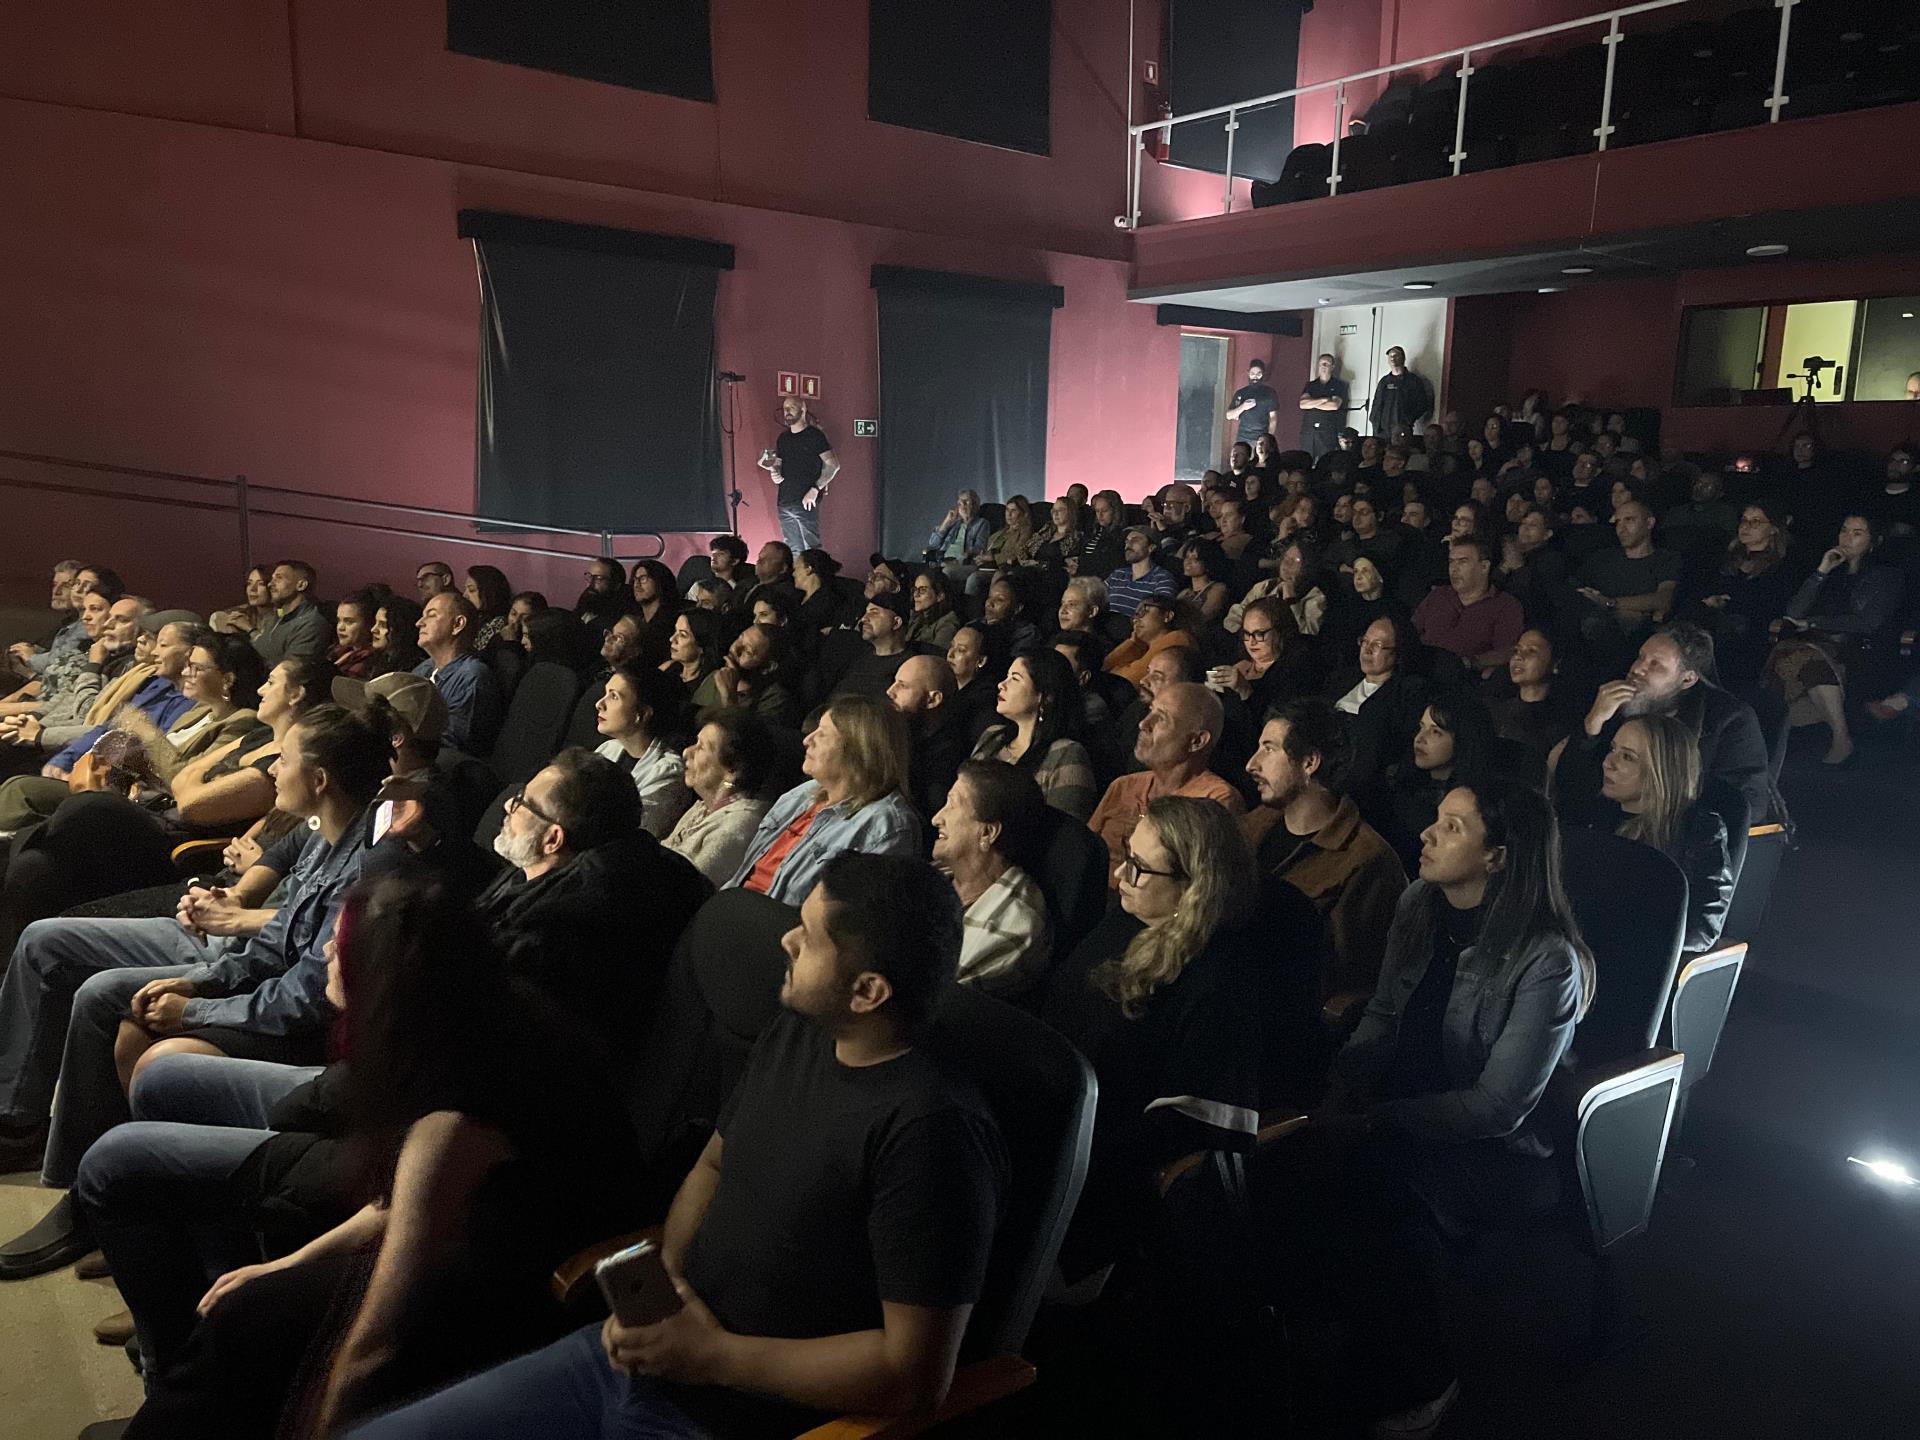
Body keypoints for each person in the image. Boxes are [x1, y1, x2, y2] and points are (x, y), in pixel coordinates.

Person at [344, 854, 1006, 1440]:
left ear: (868, 992)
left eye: (808, 939)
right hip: (646, 1357)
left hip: (734, 1418)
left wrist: (712, 1356)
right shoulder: (800, 1032)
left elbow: (912, 1371)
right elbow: (713, 1165)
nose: (786, 939)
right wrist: (664, 1298)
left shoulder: (931, 1134)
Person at [84, 874, 651, 1439]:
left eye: (344, 945)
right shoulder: (483, 1021)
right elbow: (400, 1199)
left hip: (515, 1294)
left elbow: (379, 1332)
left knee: (248, 1322)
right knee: (252, 1305)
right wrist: (287, 1263)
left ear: (383, 981)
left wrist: (323, 1419)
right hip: (475, 1239)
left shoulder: (454, 1114)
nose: (328, 950)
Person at [0, 702, 386, 1278]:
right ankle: (80, 1186)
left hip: (303, 1033)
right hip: (264, 988)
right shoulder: (323, 836)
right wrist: (196, 980)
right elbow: (275, 939)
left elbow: (302, 998)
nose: (274, 770)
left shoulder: (362, 864)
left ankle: (110, 1201)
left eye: (283, 760)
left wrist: (196, 1006)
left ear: (320, 779)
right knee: (110, 996)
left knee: (138, 1029)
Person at [1293, 778, 1594, 1439]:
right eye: (1436, 820)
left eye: (1453, 828)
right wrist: (1339, 1094)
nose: (1427, 834)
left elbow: (1498, 1107)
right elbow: (1382, 1012)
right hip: (1402, 1106)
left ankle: (1427, 1376)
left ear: (1498, 857)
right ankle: (1337, 1324)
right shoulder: (1419, 903)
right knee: (1296, 1161)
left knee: (1382, 1201)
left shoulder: (1547, 959)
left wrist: (1373, 1121)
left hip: (1495, 1149)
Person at [1044, 796, 1262, 1278]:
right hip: (1053, 1114)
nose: (1121, 875)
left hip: (1095, 1163)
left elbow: (1193, 1121)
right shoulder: (1125, 917)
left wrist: (1065, 1140)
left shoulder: (1220, 981)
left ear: (1193, 888)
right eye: (1127, 855)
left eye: (1140, 867)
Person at [482, 748, 713, 1034]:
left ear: (553, 839)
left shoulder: (548, 934)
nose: (507, 806)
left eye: (522, 803)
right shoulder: (537, 871)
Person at [1244, 696, 1407, 1007]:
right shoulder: (1253, 825)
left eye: (1269, 749)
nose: (1251, 764)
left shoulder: (1366, 859)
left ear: (1309, 763)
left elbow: (1350, 981)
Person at [1555, 624, 1771, 827]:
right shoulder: (1619, 708)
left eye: (1655, 664)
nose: (1637, 669)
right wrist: (1592, 725)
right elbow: (1570, 787)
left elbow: (1747, 804)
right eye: (1640, 657)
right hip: (1609, 828)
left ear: (1687, 679)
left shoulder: (1730, 720)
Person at [727, 695, 920, 904]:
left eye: (823, 734)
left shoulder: (887, 827)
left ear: (858, 748)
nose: (807, 740)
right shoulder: (802, 794)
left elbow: (853, 919)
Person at [1765, 513, 1902, 766]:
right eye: (1844, 530)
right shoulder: (1831, 576)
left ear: (1873, 541)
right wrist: (1822, 571)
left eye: (1857, 533)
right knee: (1790, 651)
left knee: (1797, 655)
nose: (1847, 538)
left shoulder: (1885, 576)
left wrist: (1814, 623)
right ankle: (1837, 735)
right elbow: (1793, 612)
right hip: (1813, 642)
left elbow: (1868, 622)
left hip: (1856, 647)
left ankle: (1840, 738)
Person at [1592, 713, 1734, 957]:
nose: (1608, 762)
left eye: (1627, 757)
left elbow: (1701, 929)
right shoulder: (1596, 816)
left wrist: (1627, 938)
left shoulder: (1699, 830)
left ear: (1661, 770)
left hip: (1637, 960)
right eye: (1612, 749)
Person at [1088, 682, 1244, 882]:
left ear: (1197, 741)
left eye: (1161, 718)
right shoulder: (1122, 786)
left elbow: (1202, 885)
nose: (1143, 724)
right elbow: (1083, 852)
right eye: (1150, 710)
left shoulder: (1216, 801)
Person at [932, 762, 1053, 997]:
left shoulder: (1013, 927)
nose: (937, 818)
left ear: (987, 833)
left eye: (952, 805)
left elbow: (929, 1002)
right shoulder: (936, 877)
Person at [1376, 691, 1499, 873]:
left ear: (1463, 740)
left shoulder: (1480, 801)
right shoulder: (1396, 785)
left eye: (1435, 732)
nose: (1420, 738)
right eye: (1421, 727)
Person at [970, 651, 1098, 821]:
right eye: (1006, 676)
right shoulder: (992, 736)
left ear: (1045, 696)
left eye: (1015, 678)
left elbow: (1067, 832)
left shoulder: (1066, 754)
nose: (1001, 684)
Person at [662, 708, 779, 885]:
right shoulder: (703, 807)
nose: (687, 751)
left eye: (701, 747)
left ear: (733, 771)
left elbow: (686, 889)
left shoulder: (738, 827)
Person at [1694, 500, 1798, 697]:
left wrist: (1730, 602)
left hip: (1751, 628)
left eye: (1756, 521)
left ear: (1773, 529)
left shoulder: (1781, 566)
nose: (1746, 526)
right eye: (1744, 520)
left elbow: (1772, 602)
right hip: (1713, 620)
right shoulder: (1727, 558)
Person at [1326, 615, 1430, 793]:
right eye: (1365, 642)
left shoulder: (1408, 692)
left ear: (1398, 653)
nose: (1366, 650)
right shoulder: (1342, 679)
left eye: (1378, 645)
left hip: (1359, 777)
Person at [594, 664, 695, 837]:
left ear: (642, 713)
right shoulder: (608, 749)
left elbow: (635, 834)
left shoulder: (668, 772)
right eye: (605, 694)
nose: (599, 704)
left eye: (614, 697)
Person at [1574, 497, 1682, 656]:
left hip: (1639, 640)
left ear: (1649, 523)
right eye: (1617, 522)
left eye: (1629, 520)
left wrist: (1610, 603)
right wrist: (1633, 610)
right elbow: (1580, 591)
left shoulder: (1666, 559)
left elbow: (1663, 599)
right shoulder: (1602, 558)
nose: (1621, 528)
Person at [1413, 535, 1525, 675]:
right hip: (1419, 674)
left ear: (1484, 566)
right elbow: (1411, 630)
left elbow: (1507, 651)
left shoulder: (1505, 605)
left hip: (1465, 680)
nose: (1454, 569)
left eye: (1462, 562)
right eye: (1451, 562)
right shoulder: (1438, 595)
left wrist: (1470, 662)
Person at [412, 591, 503, 754]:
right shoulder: (425, 668)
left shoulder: (472, 676)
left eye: (431, 615)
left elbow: (452, 745)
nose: (419, 623)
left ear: (457, 625)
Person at [886, 654, 966, 824]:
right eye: (894, 682)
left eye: (902, 686)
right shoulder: (898, 732)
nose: (890, 691)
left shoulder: (946, 759)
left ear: (933, 699)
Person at [1488, 629, 1574, 779]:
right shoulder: (1494, 709)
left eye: (1532, 651)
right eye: (1516, 650)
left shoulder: (1559, 723)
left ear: (1555, 663)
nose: (1518, 657)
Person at [765, 395, 840, 553]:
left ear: (803, 409)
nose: (787, 412)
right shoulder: (783, 438)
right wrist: (775, 474)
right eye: (785, 408)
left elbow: (833, 465)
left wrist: (815, 489)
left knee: (811, 550)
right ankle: (798, 578)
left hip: (806, 500)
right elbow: (778, 465)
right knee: (792, 549)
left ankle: (815, 577)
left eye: (791, 407)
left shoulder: (815, 436)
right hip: (784, 501)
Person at [709, 623, 800, 728]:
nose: (734, 649)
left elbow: (743, 737)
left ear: (768, 667)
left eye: (747, 651)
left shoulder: (775, 699)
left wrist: (728, 696)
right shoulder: (716, 677)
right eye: (740, 638)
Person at [1103, 595, 1194, 693]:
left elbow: (1126, 681)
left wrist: (1134, 644)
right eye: (1136, 615)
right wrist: (1133, 643)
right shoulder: (1144, 647)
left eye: (1144, 612)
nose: (1135, 620)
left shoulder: (1177, 639)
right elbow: (1105, 667)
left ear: (1167, 616)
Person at [832, 592, 915, 700]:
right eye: (866, 613)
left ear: (896, 623)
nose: (863, 619)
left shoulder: (908, 668)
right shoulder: (857, 656)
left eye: (874, 613)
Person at [249, 561, 330, 668]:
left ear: (301, 585)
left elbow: (290, 673)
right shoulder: (275, 618)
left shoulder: (311, 624)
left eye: (279, 578)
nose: (270, 584)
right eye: (272, 579)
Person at [1105, 526, 1179, 619]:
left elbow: (1159, 614)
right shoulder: (1118, 574)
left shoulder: (1162, 578)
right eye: (1127, 541)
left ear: (1151, 548)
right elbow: (1095, 597)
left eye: (1135, 540)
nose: (1128, 544)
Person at [945, 624, 1001, 743]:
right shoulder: (947, 686)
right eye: (951, 646)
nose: (950, 654)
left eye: (961, 650)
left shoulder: (983, 702)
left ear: (980, 661)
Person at [627, 560, 685, 670]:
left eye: (643, 578)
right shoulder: (634, 620)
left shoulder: (673, 623)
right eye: (634, 579)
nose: (636, 584)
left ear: (659, 581)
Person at [1369, 346, 1434, 439]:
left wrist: (1408, 419)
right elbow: (1376, 404)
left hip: (1402, 430)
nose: (1392, 358)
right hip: (1382, 431)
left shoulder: (1413, 381)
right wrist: (1374, 421)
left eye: (1396, 355)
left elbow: (1422, 404)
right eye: (1390, 356)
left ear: (1403, 358)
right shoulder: (1384, 381)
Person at [925, 488, 992, 574]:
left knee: (945, 572)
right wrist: (946, 522)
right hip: (942, 561)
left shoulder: (982, 523)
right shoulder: (953, 523)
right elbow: (933, 543)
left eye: (966, 501)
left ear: (975, 504)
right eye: (960, 502)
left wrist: (962, 557)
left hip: (963, 563)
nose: (962, 504)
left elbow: (980, 547)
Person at [1299, 353, 1349, 459]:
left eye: (1327, 364)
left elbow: (1334, 405)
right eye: (1322, 364)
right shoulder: (1311, 385)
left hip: (1328, 431)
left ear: (1332, 367)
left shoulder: (1338, 385)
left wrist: (1312, 403)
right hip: (1309, 431)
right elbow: (1302, 404)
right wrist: (1323, 399)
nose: (1324, 366)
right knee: (1305, 460)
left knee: (1325, 461)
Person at [206, 565, 274, 640]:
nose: (253, 589)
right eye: (249, 583)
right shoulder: (240, 613)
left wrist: (249, 629)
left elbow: (269, 649)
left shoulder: (281, 618)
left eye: (261, 584)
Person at [572, 558, 631, 640]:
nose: (591, 583)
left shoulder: (620, 623)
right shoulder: (587, 598)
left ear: (616, 585)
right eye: (590, 576)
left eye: (599, 579)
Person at [1228, 356, 1281, 447]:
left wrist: (1269, 438)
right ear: (1248, 373)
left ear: (1263, 374)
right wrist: (1243, 407)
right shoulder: (1241, 393)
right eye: (1252, 373)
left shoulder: (1270, 393)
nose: (1255, 377)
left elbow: (1273, 418)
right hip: (1242, 438)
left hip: (1261, 438)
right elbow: (1229, 415)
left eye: (1258, 373)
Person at [904, 567, 961, 651]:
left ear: (940, 596)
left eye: (922, 590)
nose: (916, 595)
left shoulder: (948, 622)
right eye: (915, 590)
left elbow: (937, 655)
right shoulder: (915, 616)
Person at [462, 564, 514, 652]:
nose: (465, 595)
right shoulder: (475, 616)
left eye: (471, 590)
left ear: (488, 592)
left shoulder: (498, 623)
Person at [369, 597, 425, 678]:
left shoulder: (416, 669)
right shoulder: (379, 661)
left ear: (401, 629)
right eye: (375, 623)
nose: (373, 630)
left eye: (383, 625)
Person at [329, 592, 379, 680]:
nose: (340, 627)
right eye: (339, 620)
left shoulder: (369, 661)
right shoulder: (337, 650)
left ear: (369, 624)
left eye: (349, 621)